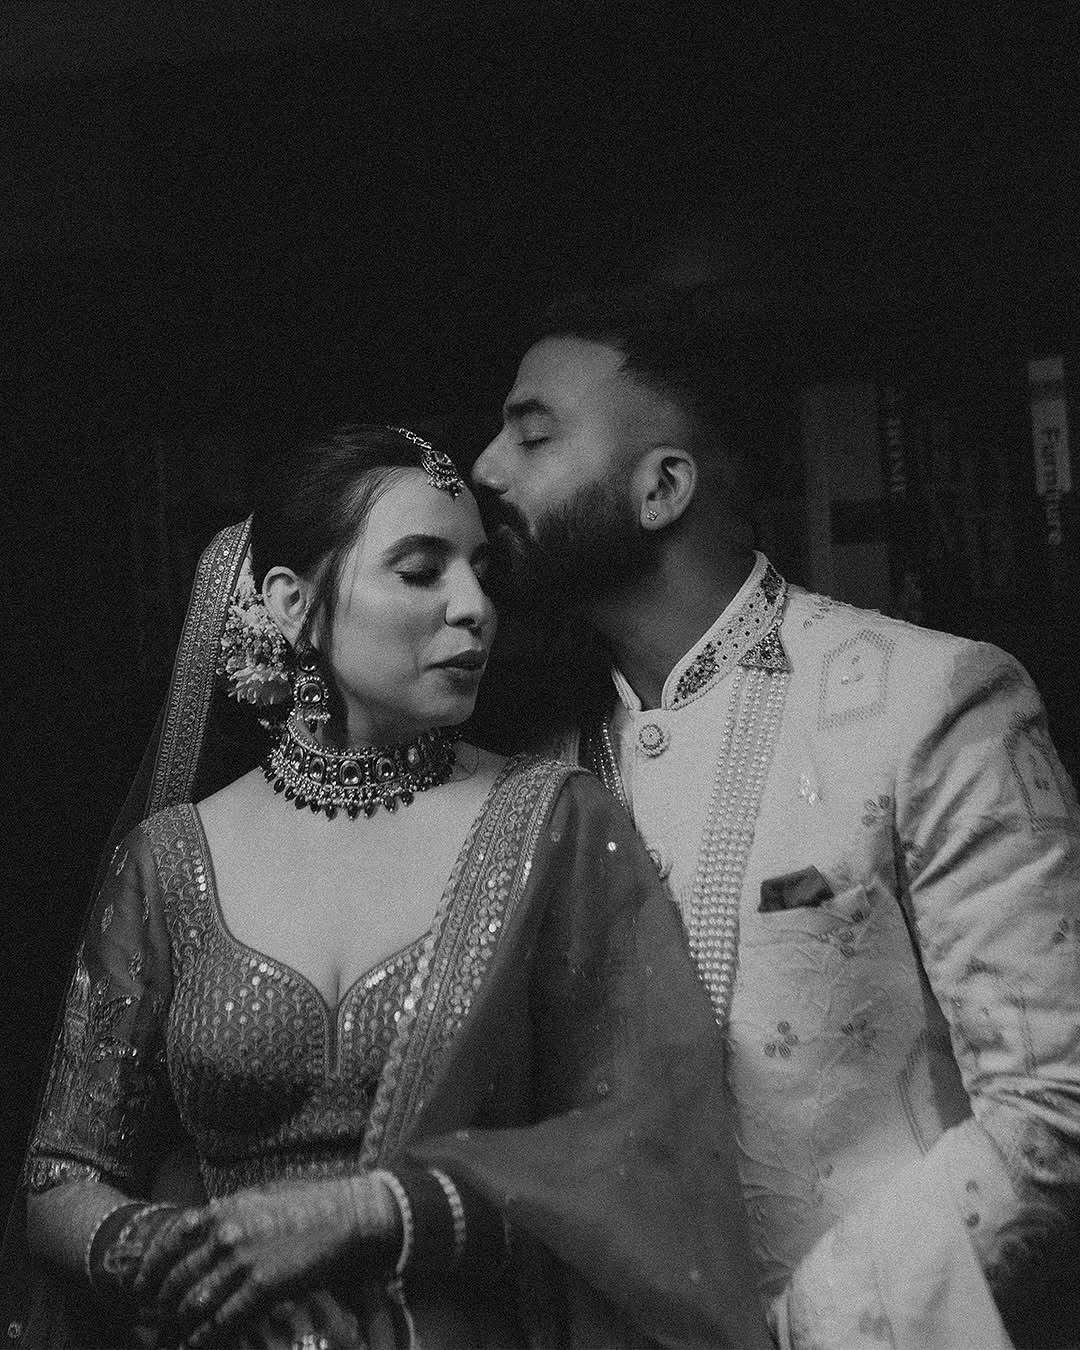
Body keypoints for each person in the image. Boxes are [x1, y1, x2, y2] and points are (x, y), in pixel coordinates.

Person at [11, 424, 771, 1350]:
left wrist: (369, 1215)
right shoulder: (169, 861)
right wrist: (190, 1255)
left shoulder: (552, 824)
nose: (475, 608)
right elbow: (61, 1173)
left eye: (481, 572)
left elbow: (649, 1148)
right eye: (420, 572)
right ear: (294, 604)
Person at [471, 284, 1080, 1349]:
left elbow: (1056, 1103)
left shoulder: (932, 700)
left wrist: (808, 1328)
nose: (485, 469)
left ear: (662, 487)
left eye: (533, 435)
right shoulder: (522, 765)